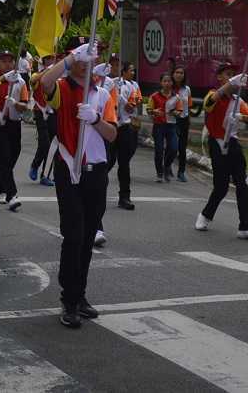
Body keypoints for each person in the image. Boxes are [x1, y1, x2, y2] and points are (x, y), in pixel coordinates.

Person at [40, 43, 117, 328]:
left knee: (87, 237)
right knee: (73, 235)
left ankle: (80, 294)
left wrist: (95, 118)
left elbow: (111, 134)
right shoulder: (61, 88)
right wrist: (71, 58)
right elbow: (43, 82)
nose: (86, 64)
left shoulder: (104, 94)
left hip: (96, 172)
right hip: (70, 168)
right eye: (82, 59)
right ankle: (69, 299)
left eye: (90, 59)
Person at [195, 63, 248, 240]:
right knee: (221, 187)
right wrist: (230, 84)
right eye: (228, 74)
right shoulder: (213, 95)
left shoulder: (237, 101)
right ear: (219, 77)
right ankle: (205, 215)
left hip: (232, 142)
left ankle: (245, 227)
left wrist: (241, 117)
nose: (233, 78)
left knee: (242, 184)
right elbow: (208, 104)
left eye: (234, 75)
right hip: (217, 143)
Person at [0, 50, 29, 211]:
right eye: (3, 61)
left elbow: (25, 105)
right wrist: (3, 79)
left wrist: (15, 104)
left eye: (10, 61)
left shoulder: (20, 82)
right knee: (4, 157)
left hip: (14, 122)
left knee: (13, 156)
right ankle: (12, 195)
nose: (7, 64)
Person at [114, 60, 142, 210]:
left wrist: (132, 104)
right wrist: (123, 102)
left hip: (125, 126)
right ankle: (91, 191)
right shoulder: (110, 82)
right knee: (108, 162)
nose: (132, 72)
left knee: (124, 163)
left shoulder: (134, 85)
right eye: (130, 70)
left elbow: (136, 100)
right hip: (111, 126)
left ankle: (124, 197)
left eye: (133, 70)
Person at [29, 54, 56, 186]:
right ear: (44, 61)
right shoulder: (37, 75)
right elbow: (33, 80)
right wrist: (48, 70)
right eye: (48, 59)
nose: (51, 61)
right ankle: (35, 165)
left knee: (52, 146)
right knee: (44, 143)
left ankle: (45, 175)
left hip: (54, 113)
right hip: (40, 112)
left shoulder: (58, 76)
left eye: (53, 59)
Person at [148, 73, 181, 182]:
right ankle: (159, 173)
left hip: (171, 126)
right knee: (159, 150)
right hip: (158, 126)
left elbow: (180, 111)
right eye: (165, 81)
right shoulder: (154, 96)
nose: (167, 83)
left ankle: (167, 166)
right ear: (161, 83)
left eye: (169, 81)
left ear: (172, 83)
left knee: (173, 148)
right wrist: (154, 111)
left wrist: (176, 112)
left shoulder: (176, 97)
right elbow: (149, 110)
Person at [172, 66, 193, 182]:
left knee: (182, 148)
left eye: (181, 73)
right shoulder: (169, 87)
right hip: (172, 120)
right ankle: (167, 166)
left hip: (183, 120)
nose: (179, 75)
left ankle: (181, 171)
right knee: (173, 147)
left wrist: (188, 118)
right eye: (177, 72)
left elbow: (189, 105)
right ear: (173, 74)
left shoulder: (187, 89)